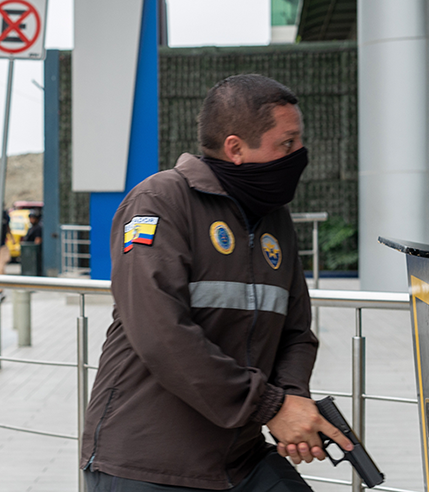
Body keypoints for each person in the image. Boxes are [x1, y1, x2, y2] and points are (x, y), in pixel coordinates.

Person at [80, 74, 353, 492]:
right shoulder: (158, 202)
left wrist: (292, 402)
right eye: (287, 143)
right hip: (148, 464)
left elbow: (296, 332)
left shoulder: (273, 219)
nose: (300, 155)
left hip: (239, 459)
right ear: (235, 148)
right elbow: (161, 334)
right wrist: (272, 406)